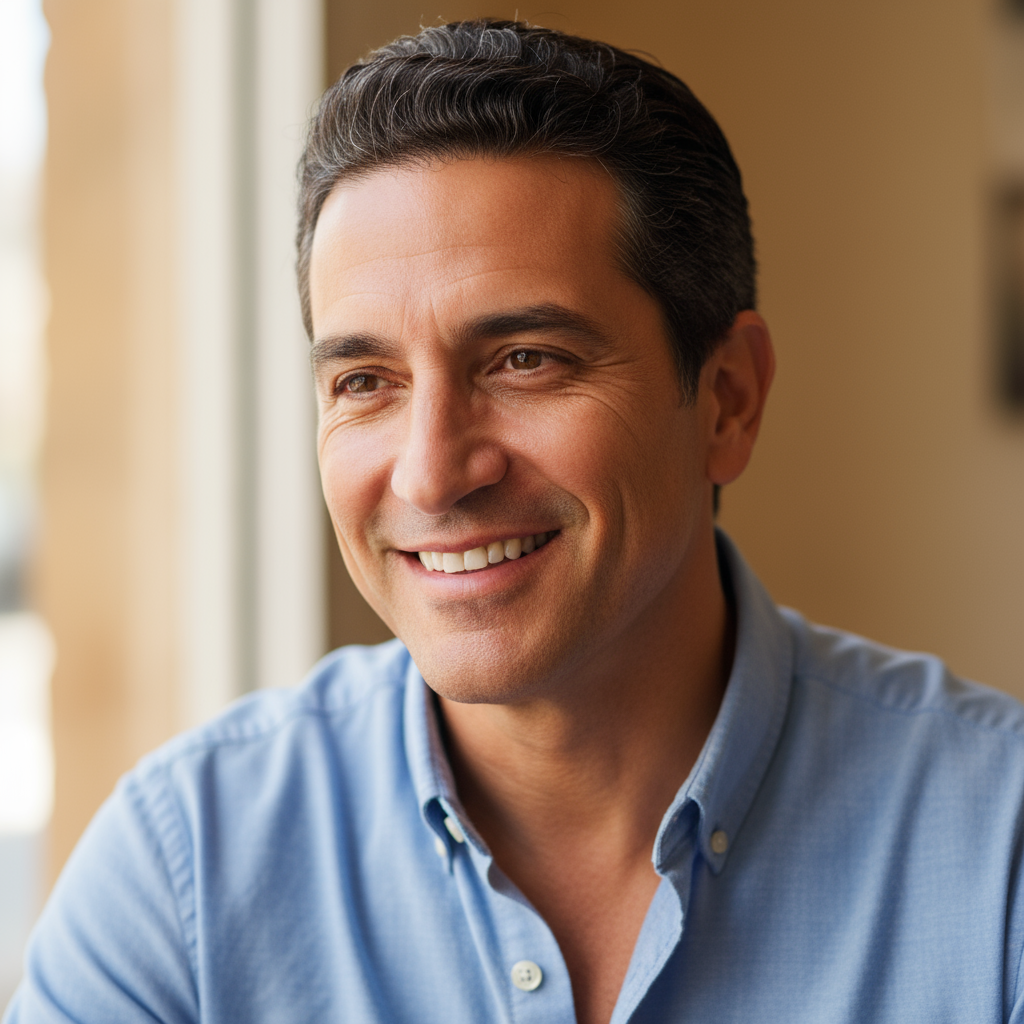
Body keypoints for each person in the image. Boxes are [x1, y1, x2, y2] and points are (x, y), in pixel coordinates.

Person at [7, 19, 1024, 1024]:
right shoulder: (184, 866)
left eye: (525, 360)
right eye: (365, 381)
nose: (431, 472)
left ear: (727, 401)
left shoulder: (1000, 849)